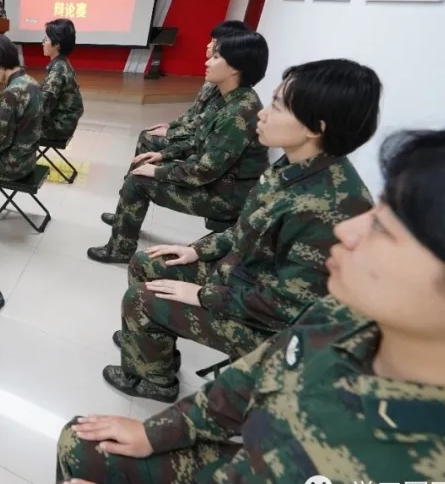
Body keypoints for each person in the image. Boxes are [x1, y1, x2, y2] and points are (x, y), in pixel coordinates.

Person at [31, 120, 445, 484]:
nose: (348, 230)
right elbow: (248, 379)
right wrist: (157, 432)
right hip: (251, 476)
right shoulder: (349, 316)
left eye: (387, 231)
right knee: (82, 441)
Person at [108, 59, 382, 401]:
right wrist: (197, 250)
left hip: (267, 324)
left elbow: (288, 307)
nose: (262, 114)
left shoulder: (331, 206)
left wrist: (203, 295)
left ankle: (155, 383)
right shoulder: (296, 165)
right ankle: (151, 353)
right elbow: (250, 226)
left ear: (316, 127)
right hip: (243, 280)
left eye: (277, 106)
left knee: (141, 299)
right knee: (146, 262)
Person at [89, 31, 270, 265]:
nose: (208, 61)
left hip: (227, 196)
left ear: (235, 68)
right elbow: (197, 140)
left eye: (216, 57)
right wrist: (163, 154)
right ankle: (125, 225)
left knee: (138, 181)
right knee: (145, 163)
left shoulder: (238, 113)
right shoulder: (227, 99)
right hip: (218, 181)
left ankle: (120, 249)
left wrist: (158, 171)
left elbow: (204, 171)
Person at [136, 20, 249, 157]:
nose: (209, 45)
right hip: (197, 140)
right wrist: (171, 126)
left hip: (200, 146)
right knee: (148, 135)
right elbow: (194, 112)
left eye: (214, 42)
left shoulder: (233, 97)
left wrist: (170, 135)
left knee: (148, 139)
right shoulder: (214, 80)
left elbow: (202, 130)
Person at [0, 34, 42, 182]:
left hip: (12, 166)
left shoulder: (11, 93)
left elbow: (1, 140)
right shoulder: (32, 82)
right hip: (29, 160)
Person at [40, 18, 84, 144]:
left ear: (57, 44)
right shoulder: (62, 62)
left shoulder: (58, 68)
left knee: (13, 129)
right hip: (62, 122)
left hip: (58, 128)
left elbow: (44, 105)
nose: (43, 43)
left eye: (46, 39)